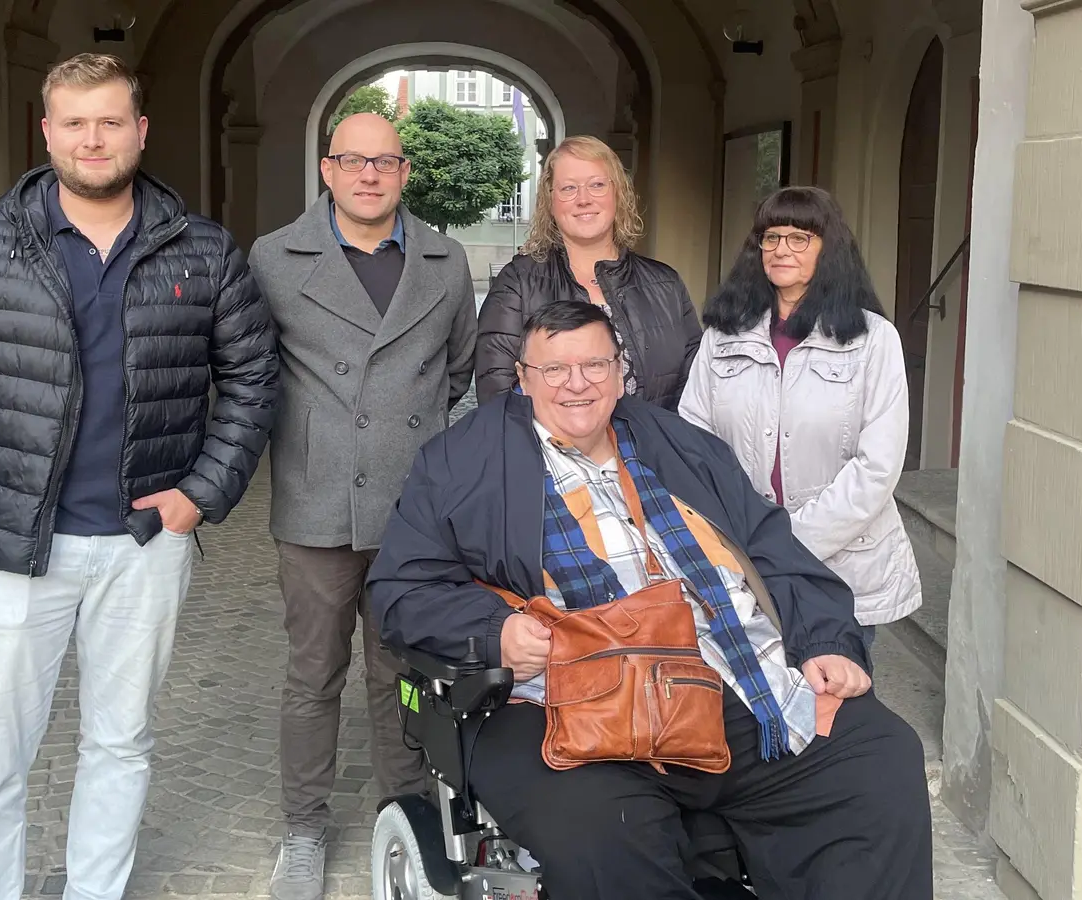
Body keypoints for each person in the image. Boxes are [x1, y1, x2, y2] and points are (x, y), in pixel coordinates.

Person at [368, 301, 932, 900]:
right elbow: (400, 590)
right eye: (555, 369)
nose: (577, 384)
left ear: (620, 372)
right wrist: (494, 632)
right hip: (568, 710)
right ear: (524, 378)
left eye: (594, 364)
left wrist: (825, 639)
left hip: (730, 685)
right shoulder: (461, 462)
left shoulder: (679, 443)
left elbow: (771, 545)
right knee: (605, 833)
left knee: (880, 757)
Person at [0, 53, 278, 900]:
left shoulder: (201, 250)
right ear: (47, 131)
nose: (91, 139)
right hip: (7, 545)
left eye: (109, 122)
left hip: (142, 545)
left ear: (139, 130)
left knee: (121, 742)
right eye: (74, 122)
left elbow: (253, 379)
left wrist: (202, 492)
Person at [247, 111, 476, 900]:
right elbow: (253, 373)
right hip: (316, 507)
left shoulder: (445, 262)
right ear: (327, 169)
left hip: (414, 513)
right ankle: (303, 830)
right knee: (313, 674)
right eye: (354, 160)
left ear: (404, 173)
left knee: (401, 674)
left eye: (385, 162)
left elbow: (458, 372)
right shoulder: (276, 258)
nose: (369, 174)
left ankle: (403, 815)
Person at [679, 186, 921, 638]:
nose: (780, 250)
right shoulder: (723, 335)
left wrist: (788, 542)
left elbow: (877, 467)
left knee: (836, 697)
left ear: (828, 249)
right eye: (771, 238)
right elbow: (695, 443)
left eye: (799, 238)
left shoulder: (874, 340)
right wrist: (740, 532)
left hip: (840, 566)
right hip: (740, 558)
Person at [475, 135, 701, 410]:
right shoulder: (518, 284)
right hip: (548, 452)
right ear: (551, 201)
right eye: (569, 188)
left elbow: (696, 391)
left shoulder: (666, 284)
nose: (583, 199)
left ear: (618, 193)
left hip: (655, 450)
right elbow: (498, 392)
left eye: (597, 185)